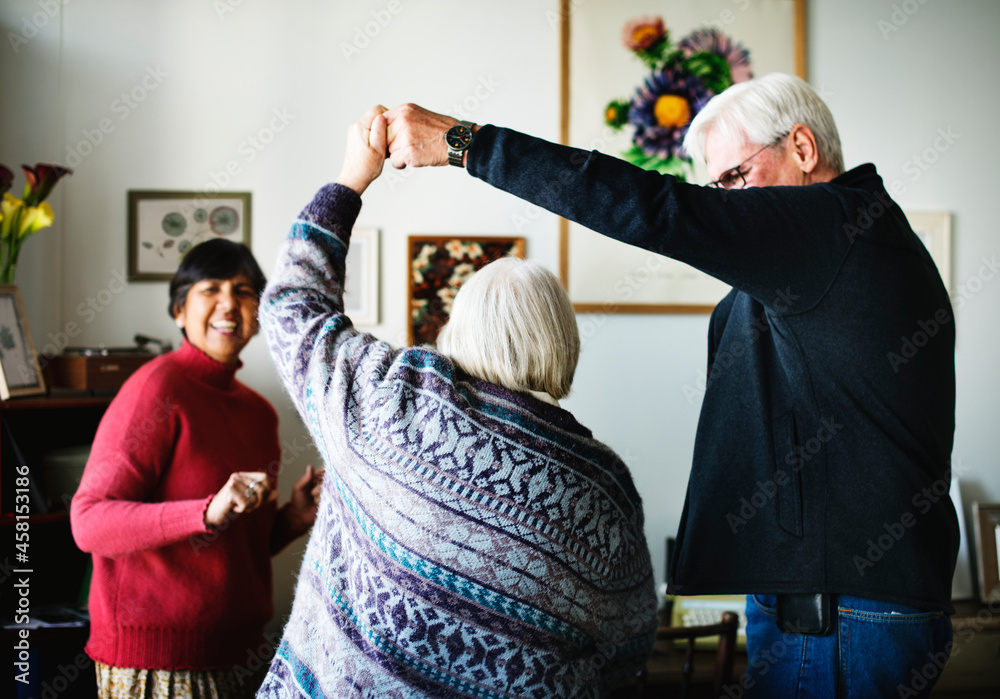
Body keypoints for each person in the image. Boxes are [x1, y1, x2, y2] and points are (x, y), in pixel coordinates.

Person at [383, 73, 959, 698]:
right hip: (827, 603)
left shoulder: (838, 226)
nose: (726, 201)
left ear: (802, 148)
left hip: (842, 614)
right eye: (716, 188)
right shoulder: (831, 249)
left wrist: (466, 143)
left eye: (736, 179)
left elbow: (659, 211)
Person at [255, 106, 658, 698]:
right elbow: (627, 651)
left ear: (456, 331)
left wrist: (350, 180)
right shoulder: (603, 488)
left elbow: (292, 306)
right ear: (563, 346)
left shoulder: (389, 400)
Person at [71, 238, 323, 699]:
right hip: (158, 662)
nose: (230, 303)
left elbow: (232, 551)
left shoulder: (259, 413)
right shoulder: (156, 387)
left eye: (245, 292)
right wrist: (204, 510)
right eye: (212, 288)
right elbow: (88, 523)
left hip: (240, 652)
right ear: (179, 311)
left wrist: (291, 518)